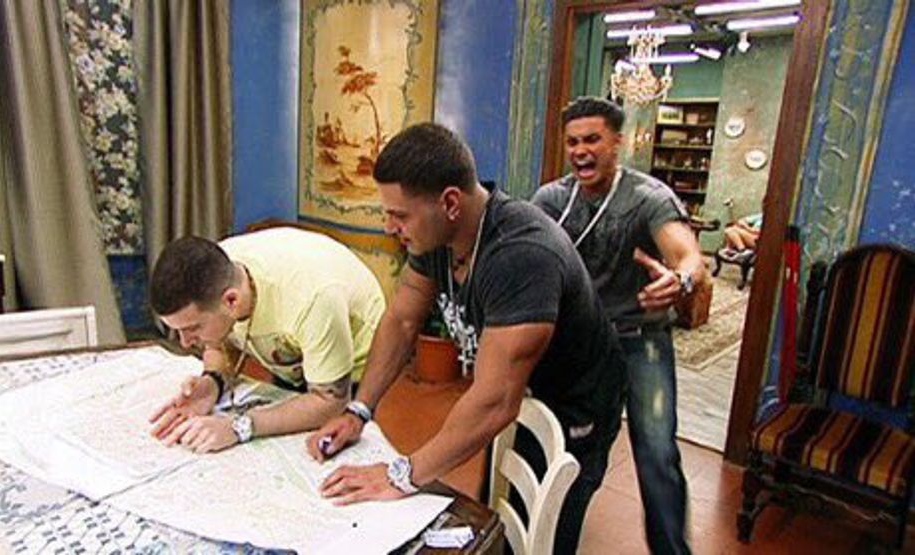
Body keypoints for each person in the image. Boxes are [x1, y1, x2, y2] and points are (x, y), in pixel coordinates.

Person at [305, 122, 627, 554]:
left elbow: (494, 402)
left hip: (577, 401)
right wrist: (359, 410)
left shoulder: (521, 255)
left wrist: (401, 475)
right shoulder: (437, 235)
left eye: (399, 215)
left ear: (450, 203)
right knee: (495, 515)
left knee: (546, 532)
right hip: (520, 388)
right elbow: (402, 320)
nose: (389, 227)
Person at [531, 96, 706, 555]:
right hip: (579, 347)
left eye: (592, 139)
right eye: (573, 142)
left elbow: (689, 257)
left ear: (617, 143)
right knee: (559, 444)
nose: (581, 151)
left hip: (640, 340)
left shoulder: (648, 198)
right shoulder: (551, 200)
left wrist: (681, 280)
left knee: (657, 452)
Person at [146, 228, 386, 453]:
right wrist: (213, 381)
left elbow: (331, 402)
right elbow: (219, 345)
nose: (185, 343)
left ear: (231, 301)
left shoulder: (313, 300)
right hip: (295, 352)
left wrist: (238, 427)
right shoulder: (216, 272)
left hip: (359, 367)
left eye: (193, 329)